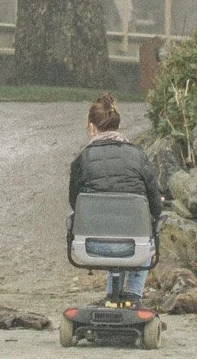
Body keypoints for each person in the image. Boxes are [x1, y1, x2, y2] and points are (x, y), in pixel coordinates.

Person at [67, 92, 162, 301]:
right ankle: (133, 296)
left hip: (93, 246)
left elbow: (75, 203)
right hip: (133, 247)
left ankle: (112, 296)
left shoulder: (81, 160)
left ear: (91, 126)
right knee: (143, 232)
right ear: (117, 125)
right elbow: (156, 206)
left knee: (105, 223)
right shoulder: (138, 156)